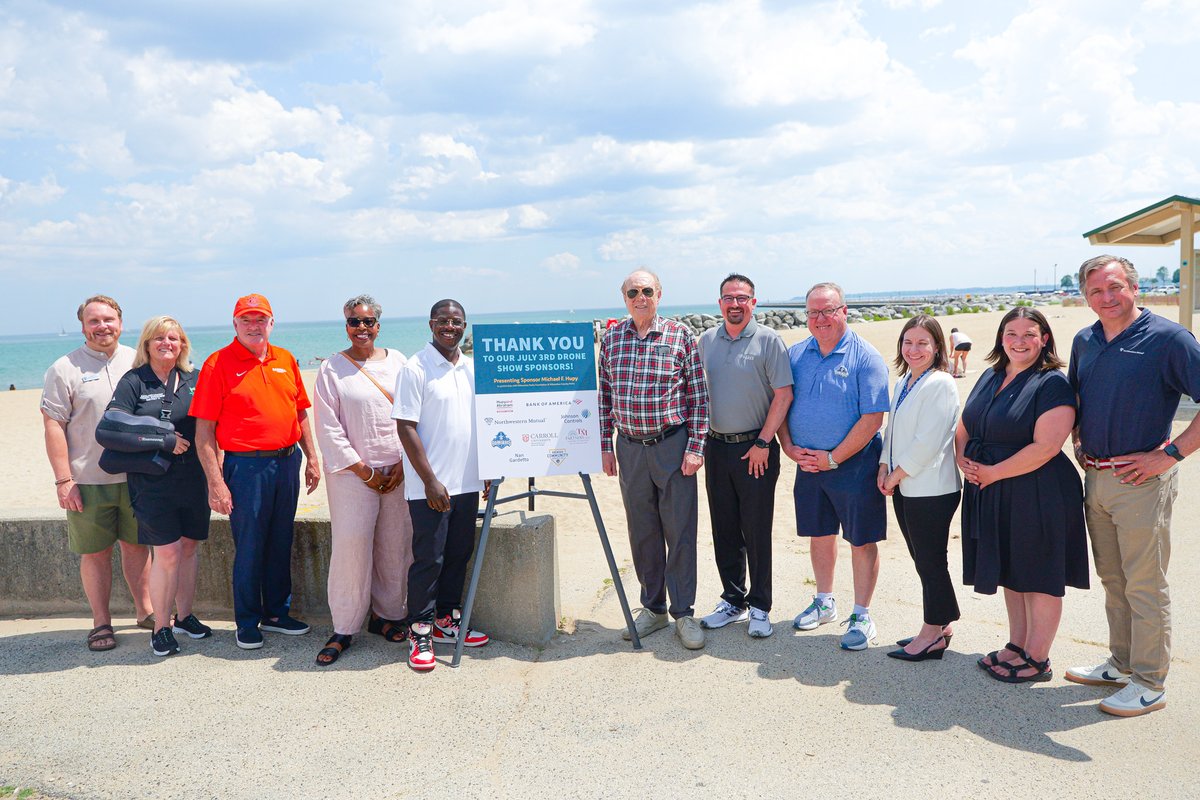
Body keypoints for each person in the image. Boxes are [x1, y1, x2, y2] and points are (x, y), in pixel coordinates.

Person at [1065, 255, 1200, 717]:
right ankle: (1121, 663)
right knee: (1113, 578)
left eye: (1115, 287)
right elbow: (1078, 396)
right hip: (1096, 476)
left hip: (1142, 480)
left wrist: (1170, 454)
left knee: (1144, 583)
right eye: (1096, 291)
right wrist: (1078, 438)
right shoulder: (1085, 340)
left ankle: (1149, 681)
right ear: (1086, 296)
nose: (1106, 297)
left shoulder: (1169, 339)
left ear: (1134, 288)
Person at [957, 307, 1087, 683]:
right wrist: (963, 460)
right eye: (1011, 334)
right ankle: (1017, 645)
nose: (1019, 341)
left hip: (1037, 489)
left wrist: (993, 472)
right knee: (1011, 570)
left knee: (1038, 573)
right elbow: (965, 425)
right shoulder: (990, 374)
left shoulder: (1052, 384)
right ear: (1001, 338)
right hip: (990, 486)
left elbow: (1047, 446)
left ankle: (1037, 657)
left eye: (1029, 334)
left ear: (1044, 338)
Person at [191, 293, 321, 650]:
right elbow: (203, 432)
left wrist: (312, 457)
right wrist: (215, 483)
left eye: (260, 319)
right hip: (245, 467)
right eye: (246, 320)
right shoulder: (218, 364)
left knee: (281, 540)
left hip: (287, 461)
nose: (253, 326)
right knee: (249, 545)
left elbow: (300, 412)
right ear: (235, 324)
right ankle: (247, 621)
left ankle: (277, 613)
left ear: (271, 323)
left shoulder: (285, 359)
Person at [599, 269, 710, 650]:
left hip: (673, 446)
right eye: (633, 292)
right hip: (629, 449)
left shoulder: (680, 336)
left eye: (647, 290)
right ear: (624, 297)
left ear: (659, 294)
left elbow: (698, 397)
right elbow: (604, 397)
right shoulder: (612, 339)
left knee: (679, 532)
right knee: (642, 531)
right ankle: (653, 609)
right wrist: (604, 446)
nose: (640, 297)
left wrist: (696, 447)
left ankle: (684, 613)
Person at [780, 282, 889, 651]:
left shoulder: (865, 356)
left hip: (853, 464)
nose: (821, 319)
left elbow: (873, 418)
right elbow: (781, 402)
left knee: (861, 539)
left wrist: (833, 457)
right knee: (819, 533)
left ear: (844, 311)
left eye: (828, 310)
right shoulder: (796, 354)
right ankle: (824, 602)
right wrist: (789, 447)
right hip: (808, 464)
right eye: (813, 312)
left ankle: (861, 614)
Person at [41, 295, 152, 652]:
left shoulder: (140, 360)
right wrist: (63, 480)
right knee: (95, 553)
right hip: (88, 479)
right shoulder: (64, 368)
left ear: (121, 321)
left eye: (109, 319)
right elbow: (53, 425)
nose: (102, 326)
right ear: (84, 326)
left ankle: (145, 612)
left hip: (137, 476)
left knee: (138, 547)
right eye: (94, 321)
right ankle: (100, 622)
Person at [312, 295, 414, 666]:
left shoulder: (399, 362)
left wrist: (405, 462)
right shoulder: (332, 369)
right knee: (351, 549)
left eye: (368, 322)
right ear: (346, 326)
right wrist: (363, 470)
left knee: (395, 546)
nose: (362, 328)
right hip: (353, 476)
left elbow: (413, 413)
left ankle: (387, 616)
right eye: (354, 322)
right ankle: (344, 627)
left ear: (378, 325)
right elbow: (327, 427)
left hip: (398, 470)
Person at [392, 299, 489, 672]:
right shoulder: (416, 367)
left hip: (466, 483)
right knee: (428, 561)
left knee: (458, 555)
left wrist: (486, 469)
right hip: (430, 487)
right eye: (443, 321)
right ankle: (420, 631)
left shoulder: (469, 368)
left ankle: (447, 621)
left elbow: (477, 422)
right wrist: (431, 481)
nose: (450, 327)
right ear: (431, 324)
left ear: (464, 326)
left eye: (457, 322)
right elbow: (405, 426)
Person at [106, 316, 212, 657]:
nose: (167, 343)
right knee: (166, 553)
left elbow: (212, 428)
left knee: (190, 548)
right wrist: (163, 439)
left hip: (194, 479)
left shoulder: (195, 379)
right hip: (152, 483)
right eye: (159, 338)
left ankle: (185, 616)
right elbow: (108, 429)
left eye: (174, 338)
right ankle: (161, 626)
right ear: (147, 344)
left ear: (183, 344)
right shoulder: (134, 381)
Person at [697, 273, 792, 638]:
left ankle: (760, 606)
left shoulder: (768, 340)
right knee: (724, 529)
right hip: (715, 446)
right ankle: (733, 600)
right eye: (727, 298)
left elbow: (783, 395)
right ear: (719, 302)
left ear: (754, 302)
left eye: (742, 298)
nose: (734, 304)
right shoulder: (707, 340)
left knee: (755, 530)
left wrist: (764, 443)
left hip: (757, 449)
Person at [877, 315, 961, 662]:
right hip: (905, 485)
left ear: (938, 347)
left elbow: (928, 441)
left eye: (923, 343)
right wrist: (884, 464)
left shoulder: (941, 383)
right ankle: (942, 623)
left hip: (932, 488)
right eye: (908, 342)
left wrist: (895, 475)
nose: (914, 349)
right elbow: (892, 430)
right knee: (923, 559)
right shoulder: (905, 382)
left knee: (930, 560)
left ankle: (931, 634)